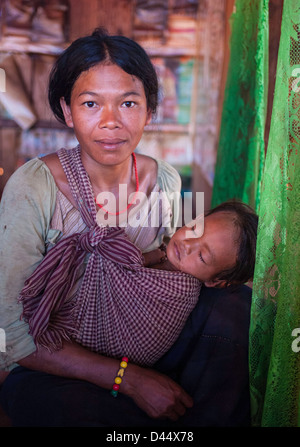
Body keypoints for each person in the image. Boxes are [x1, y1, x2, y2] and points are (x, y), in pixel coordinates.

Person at [0, 28, 257, 427]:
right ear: (67, 111)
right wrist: (130, 379)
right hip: (64, 364)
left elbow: (180, 273)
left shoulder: (167, 180)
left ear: (150, 111)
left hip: (153, 344)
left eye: (128, 103)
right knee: (30, 396)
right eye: (90, 103)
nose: (110, 122)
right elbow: (12, 333)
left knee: (236, 304)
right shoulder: (34, 187)